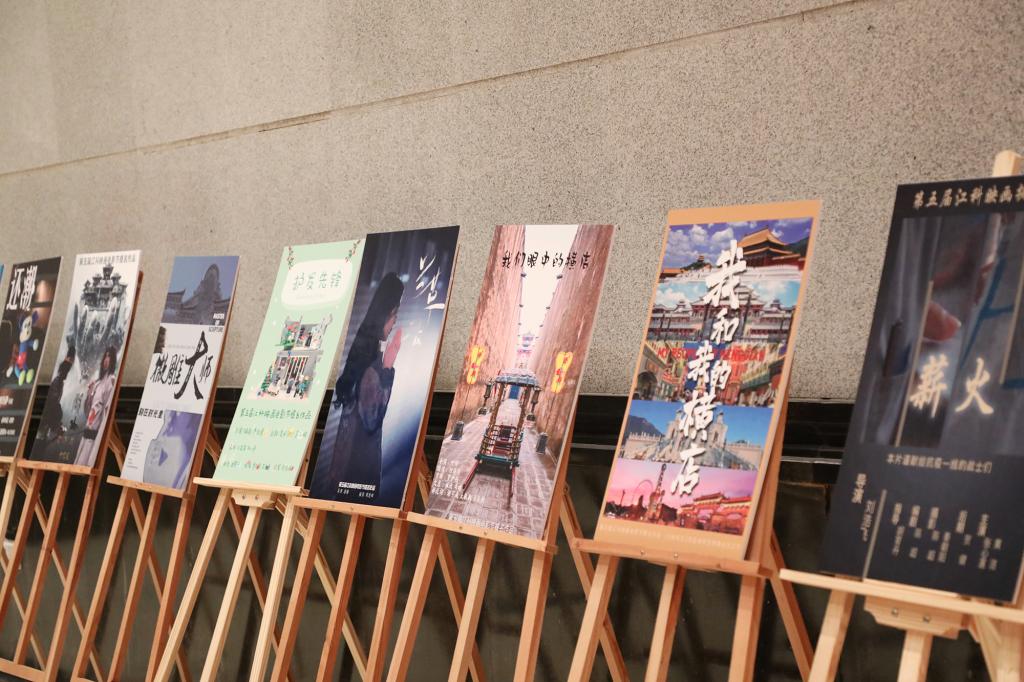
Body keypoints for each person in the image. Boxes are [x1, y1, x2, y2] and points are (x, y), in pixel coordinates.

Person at [310, 273, 403, 501]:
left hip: (343, 463)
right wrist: (388, 367)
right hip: (359, 465)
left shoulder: (360, 351)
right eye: (394, 314)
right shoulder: (372, 359)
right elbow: (372, 419)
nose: (394, 323)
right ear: (385, 313)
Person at [74, 346, 118, 466]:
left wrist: (100, 430)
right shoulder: (98, 382)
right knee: (80, 462)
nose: (106, 360)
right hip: (89, 426)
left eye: (109, 357)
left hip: (96, 430)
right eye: (105, 356)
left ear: (113, 360)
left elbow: (107, 410)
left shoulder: (111, 380)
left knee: (88, 460)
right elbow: (87, 410)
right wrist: (89, 394)